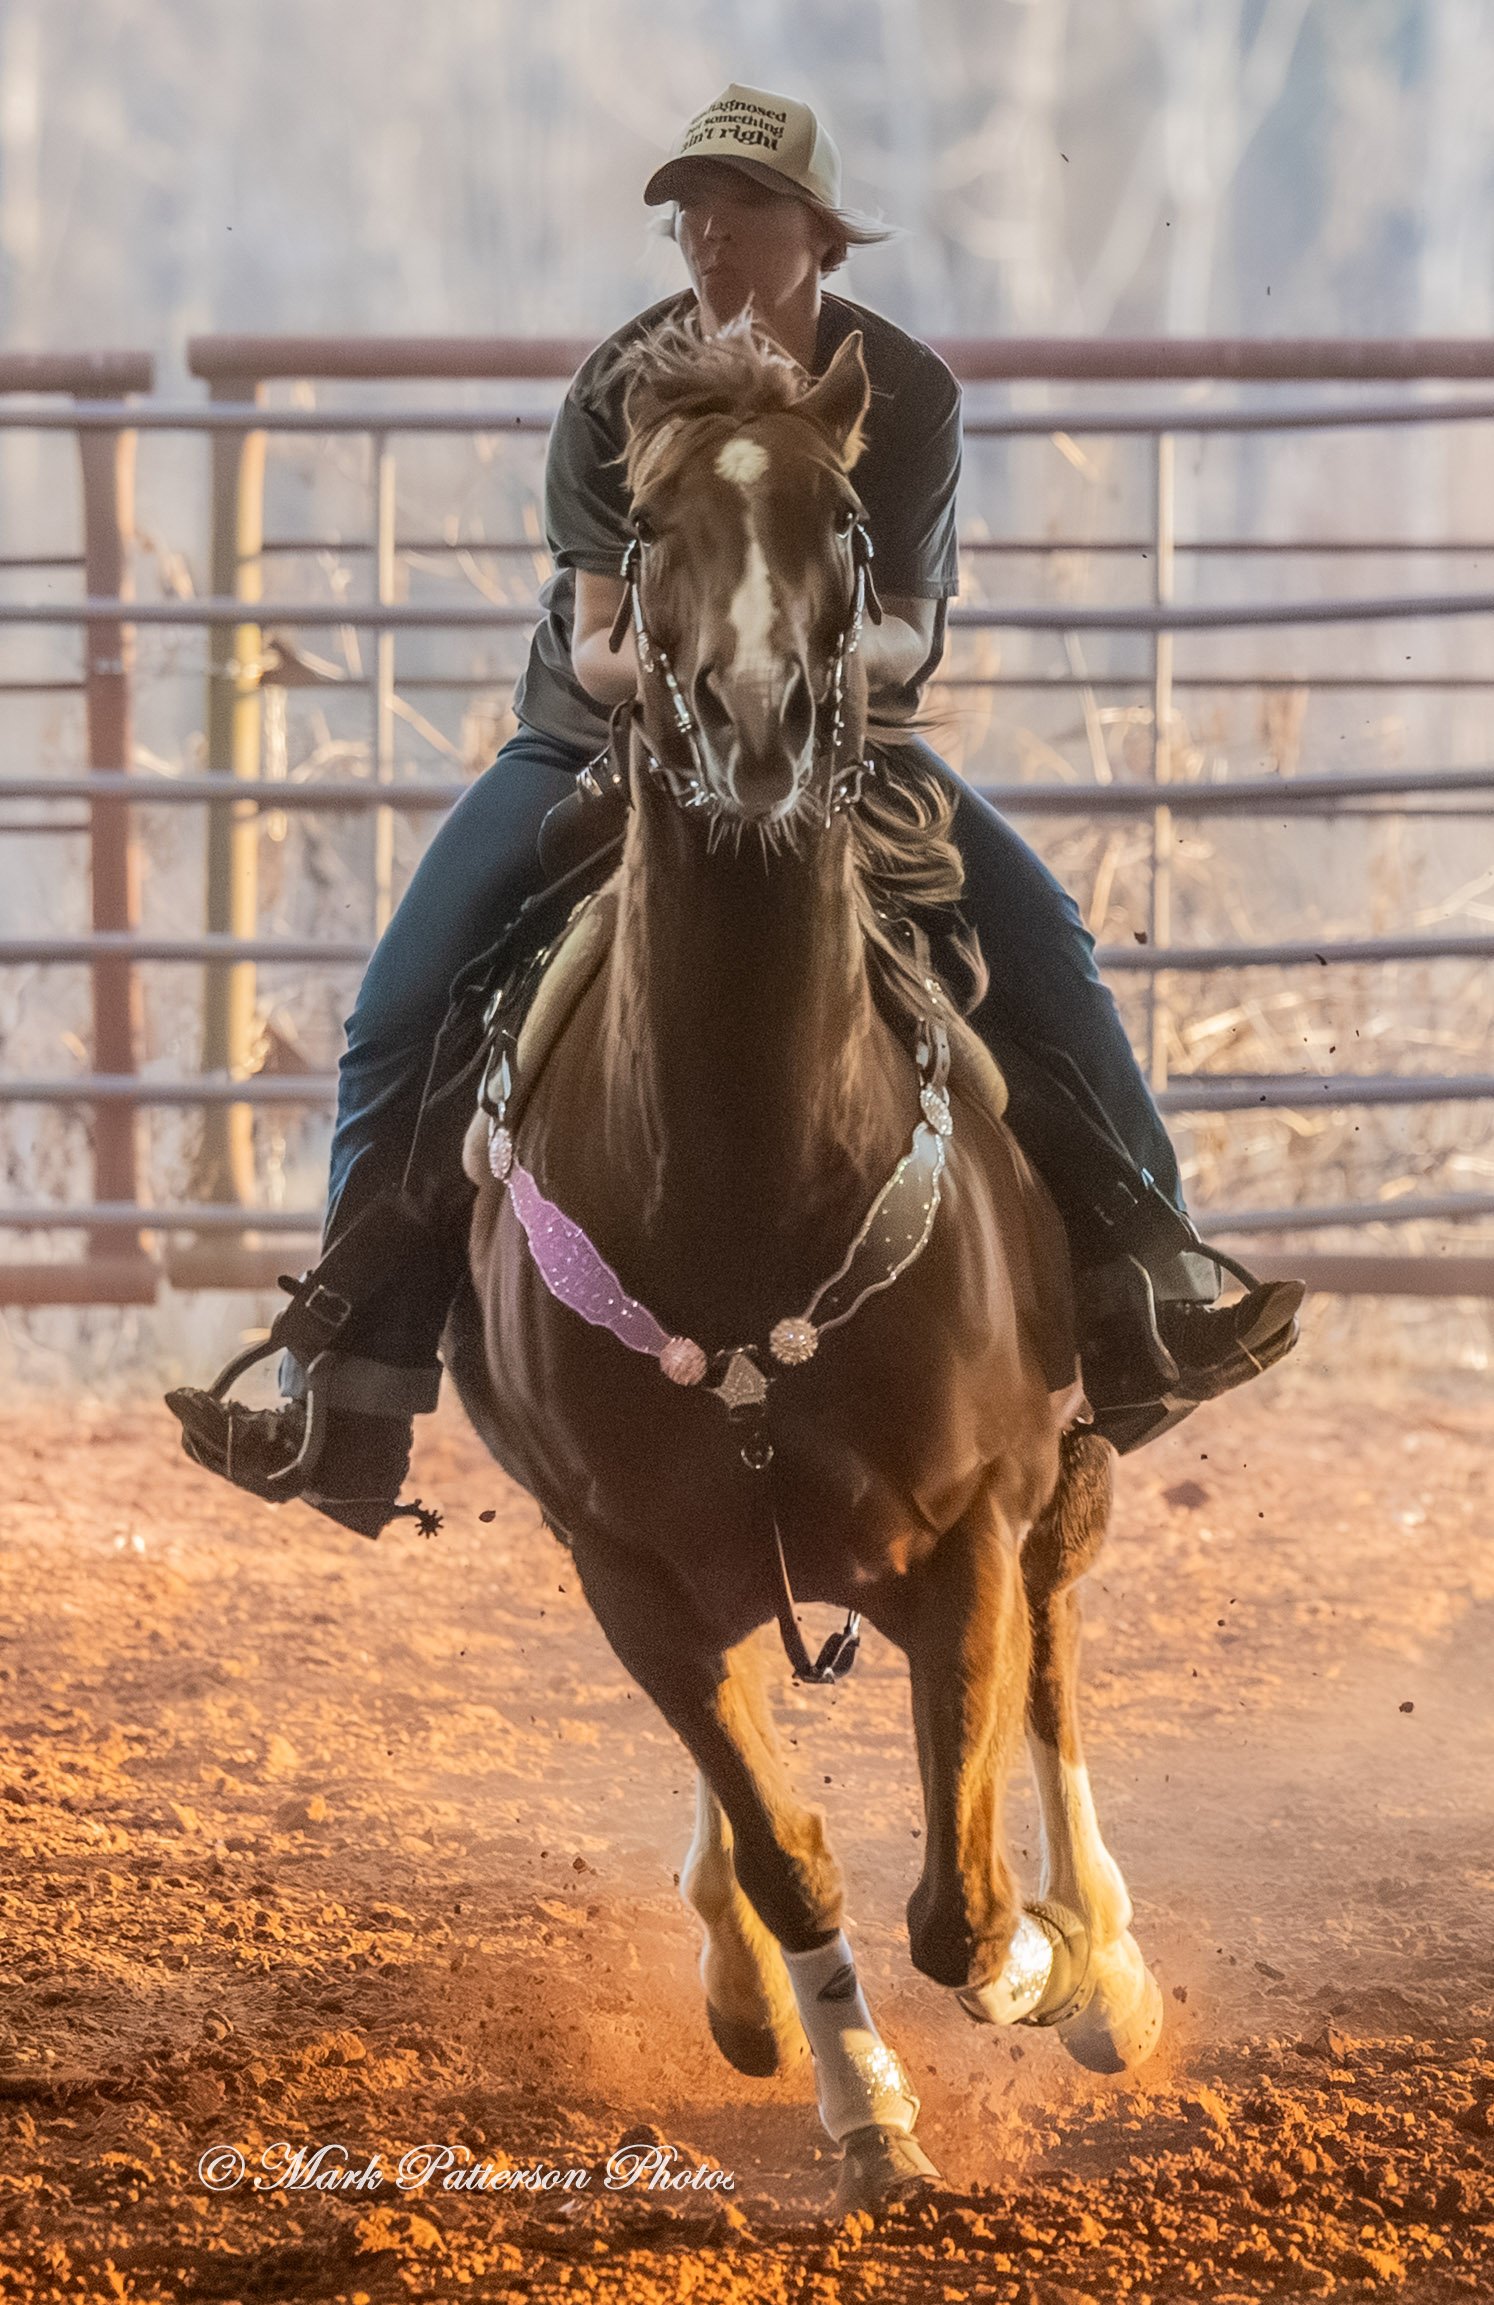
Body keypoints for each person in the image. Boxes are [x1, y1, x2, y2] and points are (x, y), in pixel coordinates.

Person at [168, 82, 1303, 1537]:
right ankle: (346, 1381)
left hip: (837, 734)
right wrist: (698, 674)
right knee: (403, 1003)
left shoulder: (907, 395)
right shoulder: (618, 384)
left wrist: (791, 665)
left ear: (816, 234)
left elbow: (905, 631)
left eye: (740, 208)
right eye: (689, 209)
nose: (704, 234)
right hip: (602, 735)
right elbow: (591, 636)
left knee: (1042, 942)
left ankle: (1148, 1291)